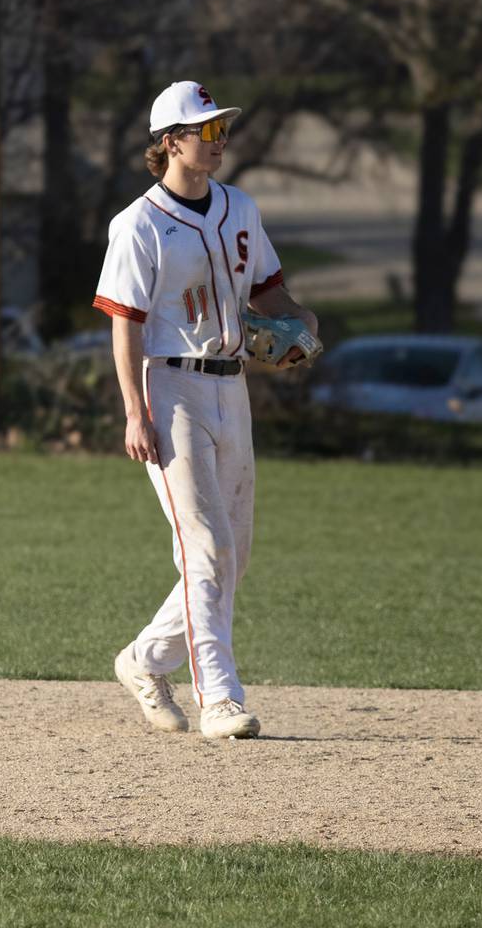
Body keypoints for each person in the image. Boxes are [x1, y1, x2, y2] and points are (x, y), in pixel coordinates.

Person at [95, 81, 318, 739]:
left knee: (234, 555)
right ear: (170, 143)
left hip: (232, 388)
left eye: (221, 130)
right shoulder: (139, 223)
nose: (218, 141)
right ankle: (219, 696)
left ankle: (144, 659)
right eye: (207, 131)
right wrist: (134, 411)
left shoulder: (239, 208)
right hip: (171, 391)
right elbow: (125, 324)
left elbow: (270, 290)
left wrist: (299, 320)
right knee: (206, 545)